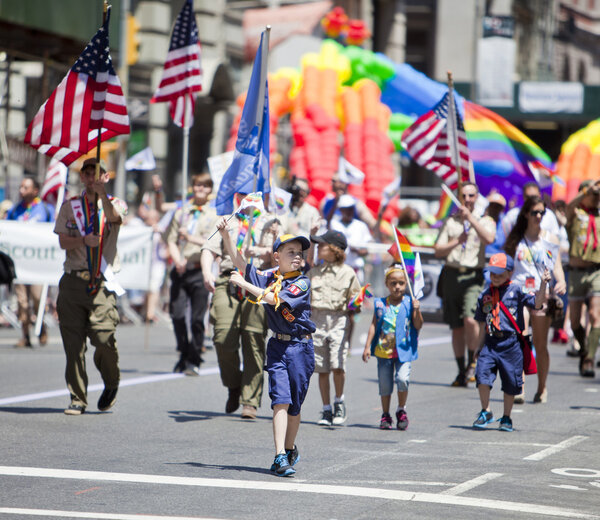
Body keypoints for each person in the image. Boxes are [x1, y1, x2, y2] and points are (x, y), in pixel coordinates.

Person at [216, 218, 315, 477]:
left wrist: (244, 285)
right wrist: (227, 235)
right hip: (278, 348)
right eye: (290, 252)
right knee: (280, 401)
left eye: (300, 253)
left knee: (294, 405)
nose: (297, 257)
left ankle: (289, 447)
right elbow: (240, 263)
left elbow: (274, 299)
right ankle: (280, 455)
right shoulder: (270, 275)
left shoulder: (302, 282)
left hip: (300, 348)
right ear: (276, 256)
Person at [54, 158, 128, 415]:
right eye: (87, 174)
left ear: (106, 177)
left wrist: (102, 195)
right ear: (82, 178)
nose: (91, 178)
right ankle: (77, 397)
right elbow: (63, 241)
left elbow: (114, 219)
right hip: (74, 280)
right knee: (73, 344)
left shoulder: (115, 203)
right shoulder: (70, 206)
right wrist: (82, 240)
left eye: (96, 174)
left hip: (102, 282)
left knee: (104, 337)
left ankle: (111, 381)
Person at [201, 201, 274, 419]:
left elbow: (281, 255)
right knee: (223, 337)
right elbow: (208, 247)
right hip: (228, 279)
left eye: (252, 193)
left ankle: (250, 400)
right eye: (242, 193)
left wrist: (262, 251)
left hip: (258, 281)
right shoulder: (227, 220)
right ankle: (234, 384)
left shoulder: (272, 220)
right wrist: (206, 272)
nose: (247, 197)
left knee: (253, 339)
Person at [472, 253, 549, 432]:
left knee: (511, 383)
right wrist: (477, 347)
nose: (495, 277)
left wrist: (543, 284)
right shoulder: (485, 295)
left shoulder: (517, 290)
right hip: (490, 343)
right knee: (481, 375)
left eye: (499, 273)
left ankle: (506, 417)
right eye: (492, 273)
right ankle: (486, 411)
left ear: (509, 272)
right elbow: (482, 322)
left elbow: (537, 304)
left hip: (511, 344)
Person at [504, 196, 566, 403]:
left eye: (542, 212)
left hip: (541, 294)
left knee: (540, 344)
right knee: (521, 338)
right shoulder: (516, 239)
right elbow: (507, 267)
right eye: (534, 212)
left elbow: (556, 264)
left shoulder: (549, 239)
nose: (538, 216)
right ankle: (519, 386)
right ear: (526, 214)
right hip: (518, 294)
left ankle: (542, 387)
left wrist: (561, 282)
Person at [433, 182, 496, 387]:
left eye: (471, 196)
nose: (467, 199)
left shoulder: (485, 220)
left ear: (477, 197)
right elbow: (438, 250)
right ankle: (461, 371)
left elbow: (489, 238)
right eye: (464, 196)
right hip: (452, 275)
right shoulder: (451, 221)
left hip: (473, 276)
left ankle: (473, 362)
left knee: (471, 319)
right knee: (457, 327)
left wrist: (472, 221)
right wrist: (456, 241)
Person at [164, 173, 217, 375]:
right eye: (197, 185)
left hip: (199, 270)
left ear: (210, 189)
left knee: (197, 318)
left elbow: (212, 242)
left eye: (204, 186)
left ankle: (194, 358)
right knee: (176, 314)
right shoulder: (182, 212)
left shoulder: (213, 215)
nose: (200, 189)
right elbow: (171, 239)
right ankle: (183, 352)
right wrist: (177, 259)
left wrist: (192, 238)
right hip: (181, 269)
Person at [306, 229, 360, 426]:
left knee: (338, 365)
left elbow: (356, 303)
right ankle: (326, 408)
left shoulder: (348, 273)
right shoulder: (314, 273)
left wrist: (357, 301)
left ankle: (339, 401)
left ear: (335, 249)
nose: (318, 247)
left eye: (322, 245)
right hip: (317, 320)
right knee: (322, 367)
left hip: (338, 319)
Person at [362, 264, 423, 430]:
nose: (397, 287)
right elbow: (374, 325)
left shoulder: (411, 303)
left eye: (401, 283)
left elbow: (418, 325)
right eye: (393, 283)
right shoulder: (380, 304)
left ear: (406, 284)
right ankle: (385, 414)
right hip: (384, 351)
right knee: (385, 385)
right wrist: (367, 346)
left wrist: (417, 311)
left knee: (403, 379)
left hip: (404, 351)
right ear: (387, 284)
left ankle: (401, 409)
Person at [6, 176, 54, 348]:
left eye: (25, 187)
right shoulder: (14, 211)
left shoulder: (46, 210)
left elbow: (53, 234)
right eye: (20, 187)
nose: (21, 190)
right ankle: (25, 335)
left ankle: (41, 327)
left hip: (38, 265)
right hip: (19, 265)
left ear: (35, 191)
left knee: (37, 298)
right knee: (22, 301)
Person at [565, 179, 600, 377]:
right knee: (575, 321)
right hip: (576, 272)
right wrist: (588, 189)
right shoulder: (576, 214)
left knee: (596, 316)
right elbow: (569, 206)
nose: (596, 198)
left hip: (596, 271)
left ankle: (589, 359)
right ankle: (585, 350)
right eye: (593, 195)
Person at [329, 194, 373, 283]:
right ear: (341, 210)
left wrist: (357, 250)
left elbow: (367, 250)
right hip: (338, 270)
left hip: (355, 270)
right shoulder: (334, 224)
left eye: (351, 208)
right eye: (346, 209)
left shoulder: (361, 226)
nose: (349, 211)